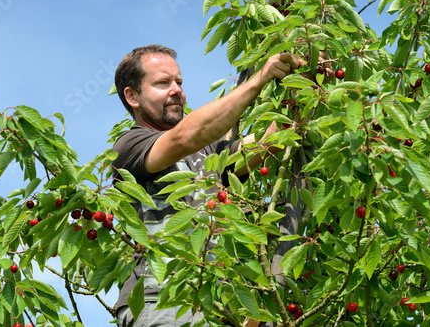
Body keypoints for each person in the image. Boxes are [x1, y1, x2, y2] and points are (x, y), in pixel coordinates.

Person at [111, 44, 306, 327]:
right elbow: (185, 137)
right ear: (133, 96)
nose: (176, 90)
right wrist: (258, 79)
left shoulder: (208, 152)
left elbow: (268, 144)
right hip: (161, 302)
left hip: (217, 302)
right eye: (162, 83)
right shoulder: (130, 146)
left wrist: (304, 84)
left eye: (179, 82)